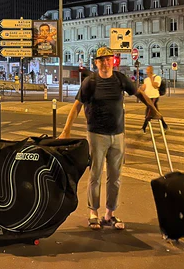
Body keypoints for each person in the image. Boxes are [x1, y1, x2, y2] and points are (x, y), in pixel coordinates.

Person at [59, 47, 162, 231]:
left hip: (118, 135)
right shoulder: (90, 82)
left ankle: (110, 214)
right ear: (96, 63)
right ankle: (93, 213)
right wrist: (66, 131)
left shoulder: (119, 79)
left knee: (115, 177)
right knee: (96, 175)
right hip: (97, 135)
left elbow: (139, 93)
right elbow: (76, 107)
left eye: (109, 59)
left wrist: (153, 110)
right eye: (102, 60)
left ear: (113, 61)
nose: (106, 63)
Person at [140, 66, 169, 133]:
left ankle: (143, 128)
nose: (146, 71)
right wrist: (141, 88)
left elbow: (155, 85)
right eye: (146, 70)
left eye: (148, 70)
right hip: (148, 98)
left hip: (154, 97)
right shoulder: (146, 79)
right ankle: (165, 126)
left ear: (151, 70)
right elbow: (144, 88)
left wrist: (151, 78)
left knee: (148, 111)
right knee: (155, 112)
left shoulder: (157, 77)